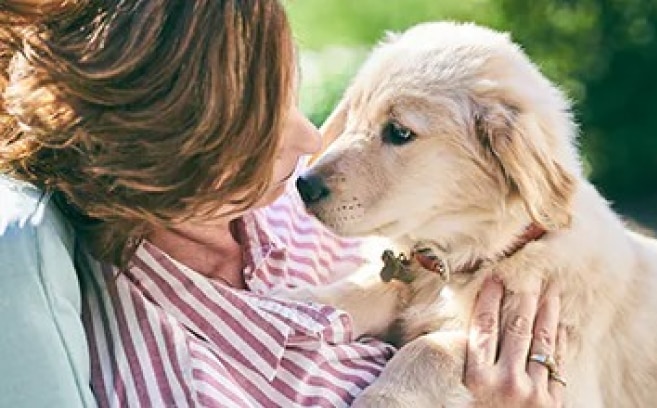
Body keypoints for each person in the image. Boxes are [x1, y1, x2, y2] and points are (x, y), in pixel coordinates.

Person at [0, 1, 566, 407]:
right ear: (171, 162)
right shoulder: (190, 384)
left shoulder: (264, 207)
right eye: (259, 128)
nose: (309, 141)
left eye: (290, 96)